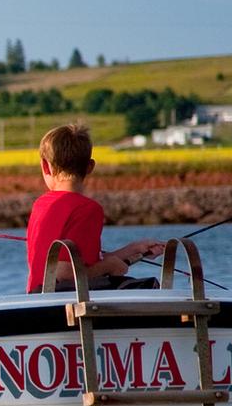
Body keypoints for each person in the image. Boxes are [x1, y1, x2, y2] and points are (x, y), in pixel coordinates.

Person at [25, 123, 165, 292]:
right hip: (59, 303)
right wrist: (110, 266)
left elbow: (84, 265)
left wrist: (132, 250)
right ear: (90, 166)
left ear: (45, 166)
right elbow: (64, 274)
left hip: (37, 299)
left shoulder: (41, 204)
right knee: (147, 287)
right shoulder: (88, 209)